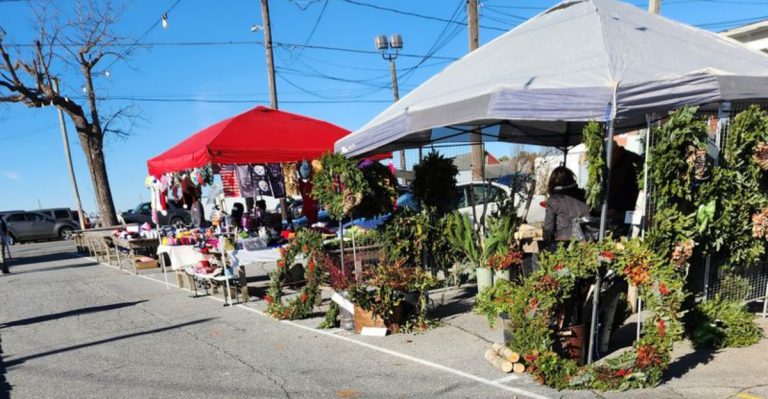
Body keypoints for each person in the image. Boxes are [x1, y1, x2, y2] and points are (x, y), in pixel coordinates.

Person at [542, 166, 589, 243]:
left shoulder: (554, 200)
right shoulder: (584, 194)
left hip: (564, 244)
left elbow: (548, 229)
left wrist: (546, 240)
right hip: (586, 242)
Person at [608, 142, 642, 223]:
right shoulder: (616, 163)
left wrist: (616, 209)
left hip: (630, 210)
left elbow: (631, 189)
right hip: (619, 210)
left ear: (616, 151)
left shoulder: (632, 161)